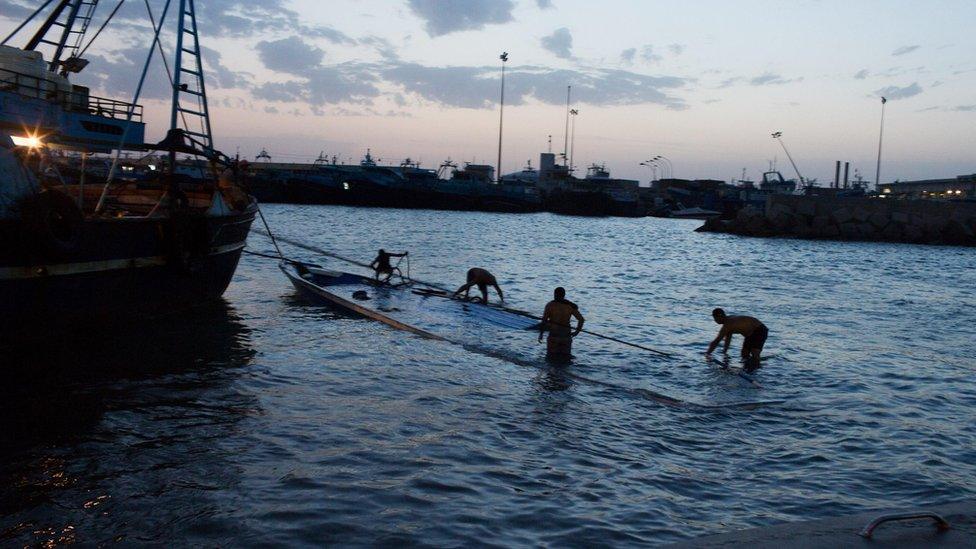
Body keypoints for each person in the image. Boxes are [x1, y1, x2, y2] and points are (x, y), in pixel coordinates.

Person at [539, 287, 585, 360]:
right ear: (564, 295)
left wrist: (541, 334)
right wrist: (576, 332)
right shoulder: (570, 306)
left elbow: (544, 321)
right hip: (566, 337)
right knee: (566, 359)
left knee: (551, 359)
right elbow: (581, 320)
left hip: (554, 336)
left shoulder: (550, 305)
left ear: (555, 294)